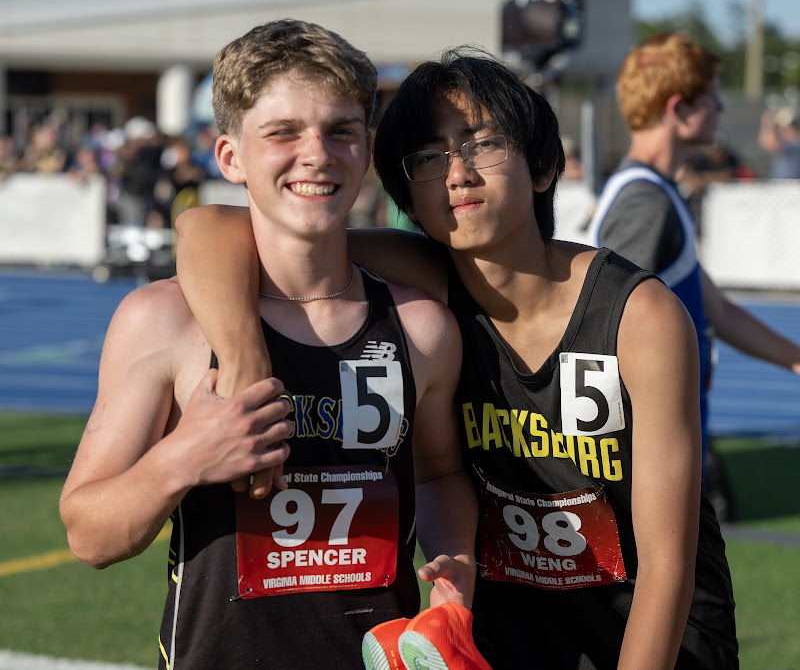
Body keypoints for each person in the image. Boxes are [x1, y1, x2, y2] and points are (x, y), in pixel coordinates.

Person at [175, 47, 738, 668]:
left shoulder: (639, 316)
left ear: (545, 165)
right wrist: (243, 356)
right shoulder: (434, 282)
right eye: (427, 159)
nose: (457, 173)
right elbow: (210, 226)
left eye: (481, 144)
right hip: (510, 635)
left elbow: (666, 563)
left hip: (654, 637)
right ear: (408, 202)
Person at [60, 19, 477, 670]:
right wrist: (184, 458)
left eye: (340, 130)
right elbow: (89, 534)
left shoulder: (422, 329)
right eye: (283, 132)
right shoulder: (163, 322)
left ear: (364, 149)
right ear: (230, 158)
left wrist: (457, 560)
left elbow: (441, 471)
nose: (316, 154)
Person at [587, 32, 800, 468]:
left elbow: (716, 310)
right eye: (712, 97)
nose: (721, 108)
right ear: (678, 108)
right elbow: (605, 334)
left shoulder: (658, 193)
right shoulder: (646, 204)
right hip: (650, 453)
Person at [758, 105, 800, 180]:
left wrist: (768, 122)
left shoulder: (795, 143)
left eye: (785, 129)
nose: (781, 132)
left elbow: (770, 143)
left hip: (792, 187)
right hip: (783, 186)